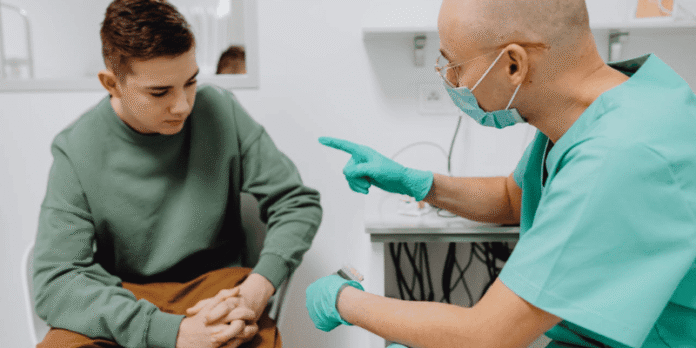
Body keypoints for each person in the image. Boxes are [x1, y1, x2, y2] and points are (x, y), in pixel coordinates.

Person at [306, 0, 696, 347]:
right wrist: (418, 182)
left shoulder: (618, 153)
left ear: (513, 65)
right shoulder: (598, 109)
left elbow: (487, 335)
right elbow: (516, 196)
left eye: (454, 66)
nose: (452, 82)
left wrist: (343, 300)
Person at [32, 1, 322, 347]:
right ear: (112, 84)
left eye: (191, 81)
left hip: (218, 293)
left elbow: (297, 203)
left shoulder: (220, 110)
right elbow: (57, 280)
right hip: (124, 302)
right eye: (160, 92)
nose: (183, 104)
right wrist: (171, 333)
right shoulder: (76, 148)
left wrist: (257, 289)